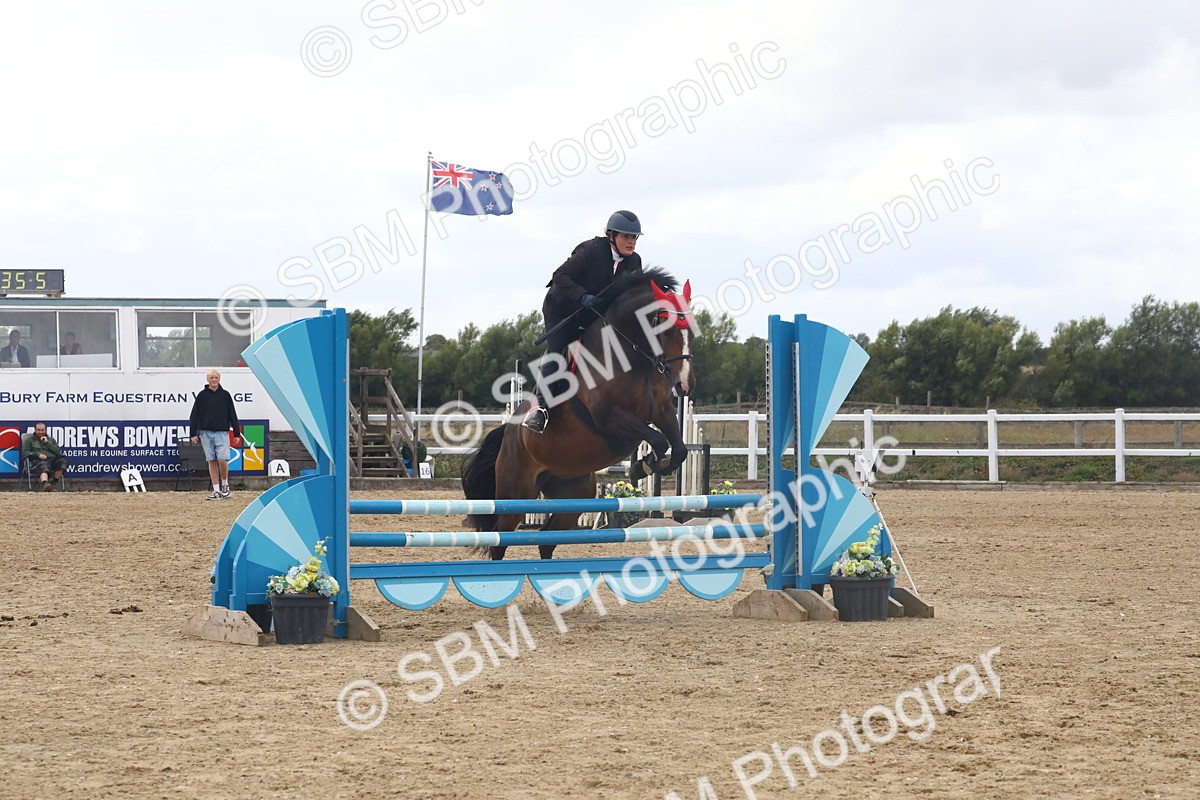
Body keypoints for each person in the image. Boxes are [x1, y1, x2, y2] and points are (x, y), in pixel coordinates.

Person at [522, 209, 645, 432]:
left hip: (593, 315)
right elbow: (559, 276)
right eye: (626, 236)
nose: (631, 242)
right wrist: (580, 295)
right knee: (558, 349)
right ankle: (539, 408)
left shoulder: (634, 262)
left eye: (634, 237)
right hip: (562, 310)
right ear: (611, 236)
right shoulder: (591, 250)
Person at [188, 368, 242, 500]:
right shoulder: (201, 395)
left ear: (219, 379)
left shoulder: (225, 395)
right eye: (211, 378)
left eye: (216, 377)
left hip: (222, 433)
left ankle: (225, 484)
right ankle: (216, 490)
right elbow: (194, 415)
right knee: (211, 461)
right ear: (207, 379)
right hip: (205, 433)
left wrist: (236, 433)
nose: (213, 380)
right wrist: (193, 433)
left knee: (222, 459)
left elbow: (232, 414)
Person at [22, 422, 68, 491]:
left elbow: (58, 452)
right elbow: (25, 452)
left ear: (46, 430)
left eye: (42, 430)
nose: (40, 432)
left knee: (63, 462)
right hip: (37, 461)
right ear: (35, 430)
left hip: (51, 460)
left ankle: (53, 484)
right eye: (38, 430)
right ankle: (45, 484)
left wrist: (47, 443)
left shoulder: (51, 440)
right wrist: (38, 455)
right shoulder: (29, 441)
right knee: (43, 465)